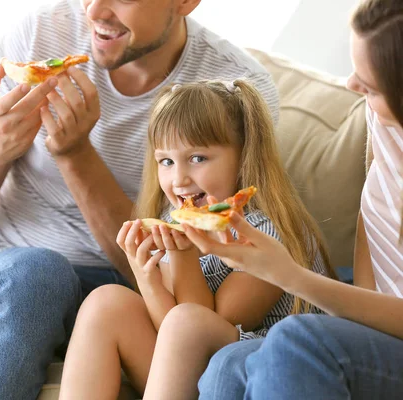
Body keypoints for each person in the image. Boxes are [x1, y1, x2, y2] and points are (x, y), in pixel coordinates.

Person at [0, 0, 280, 398]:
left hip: (137, 282)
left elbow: (184, 302)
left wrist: (75, 155)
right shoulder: (40, 36)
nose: (95, 10)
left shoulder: (233, 89)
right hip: (12, 279)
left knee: (106, 299)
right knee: (36, 272)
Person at [58, 78, 332, 399]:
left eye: (198, 158)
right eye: (167, 161)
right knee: (106, 302)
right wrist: (145, 275)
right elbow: (170, 330)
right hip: (186, 366)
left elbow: (203, 329)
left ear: (244, 157)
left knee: (187, 322)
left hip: (251, 372)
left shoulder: (266, 234)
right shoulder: (170, 222)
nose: (179, 179)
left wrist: (183, 254)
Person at [189, 1, 403, 398]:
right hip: (380, 324)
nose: (351, 86)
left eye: (370, 86)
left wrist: (288, 275)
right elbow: (372, 222)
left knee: (301, 339)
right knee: (228, 363)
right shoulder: (386, 123)